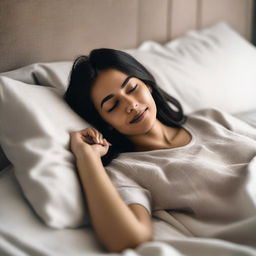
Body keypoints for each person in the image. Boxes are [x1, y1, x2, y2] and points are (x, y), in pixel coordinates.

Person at [64, 48, 256, 253]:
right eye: (112, 106)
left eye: (132, 88)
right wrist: (87, 158)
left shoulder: (211, 118)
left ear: (148, 86)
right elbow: (129, 239)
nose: (131, 104)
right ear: (105, 122)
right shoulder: (126, 171)